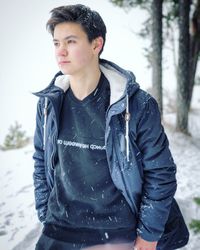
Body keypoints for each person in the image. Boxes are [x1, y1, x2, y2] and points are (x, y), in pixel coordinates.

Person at [33, 4, 189, 250]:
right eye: (56, 43)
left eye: (71, 42)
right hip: (60, 227)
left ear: (97, 44)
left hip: (116, 232)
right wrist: (45, 212)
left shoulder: (135, 105)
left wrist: (148, 235)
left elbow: (161, 173)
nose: (60, 51)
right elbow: (41, 160)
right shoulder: (49, 103)